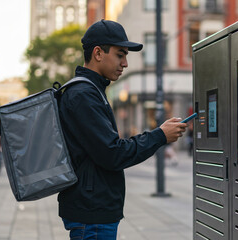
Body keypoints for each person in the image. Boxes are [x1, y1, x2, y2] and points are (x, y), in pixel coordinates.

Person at [57, 19, 188, 240]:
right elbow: (112, 153)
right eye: (120, 54)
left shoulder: (90, 91)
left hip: (94, 211)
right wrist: (160, 135)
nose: (125, 63)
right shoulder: (83, 95)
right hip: (92, 215)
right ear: (98, 53)